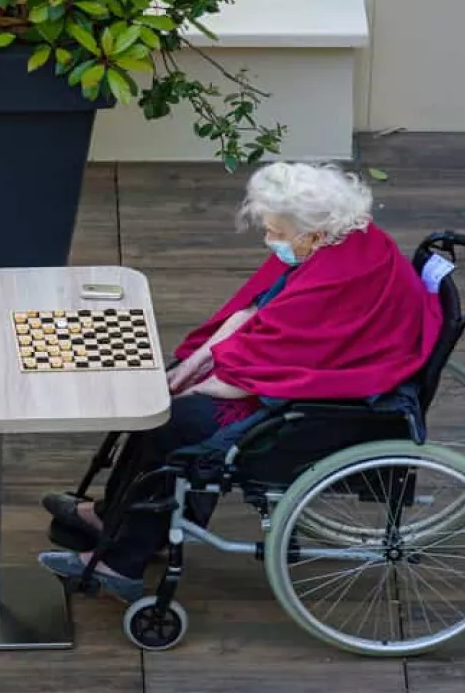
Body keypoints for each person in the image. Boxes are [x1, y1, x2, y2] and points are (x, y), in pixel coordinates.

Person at [37, 162, 443, 602]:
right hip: (322, 373)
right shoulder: (344, 243)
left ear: (314, 233)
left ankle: (124, 561)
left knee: (171, 420)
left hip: (324, 406)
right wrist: (198, 360)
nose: (271, 242)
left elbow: (282, 351)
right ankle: (112, 515)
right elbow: (257, 314)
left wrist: (208, 384)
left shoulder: (341, 272)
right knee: (162, 395)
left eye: (278, 233)